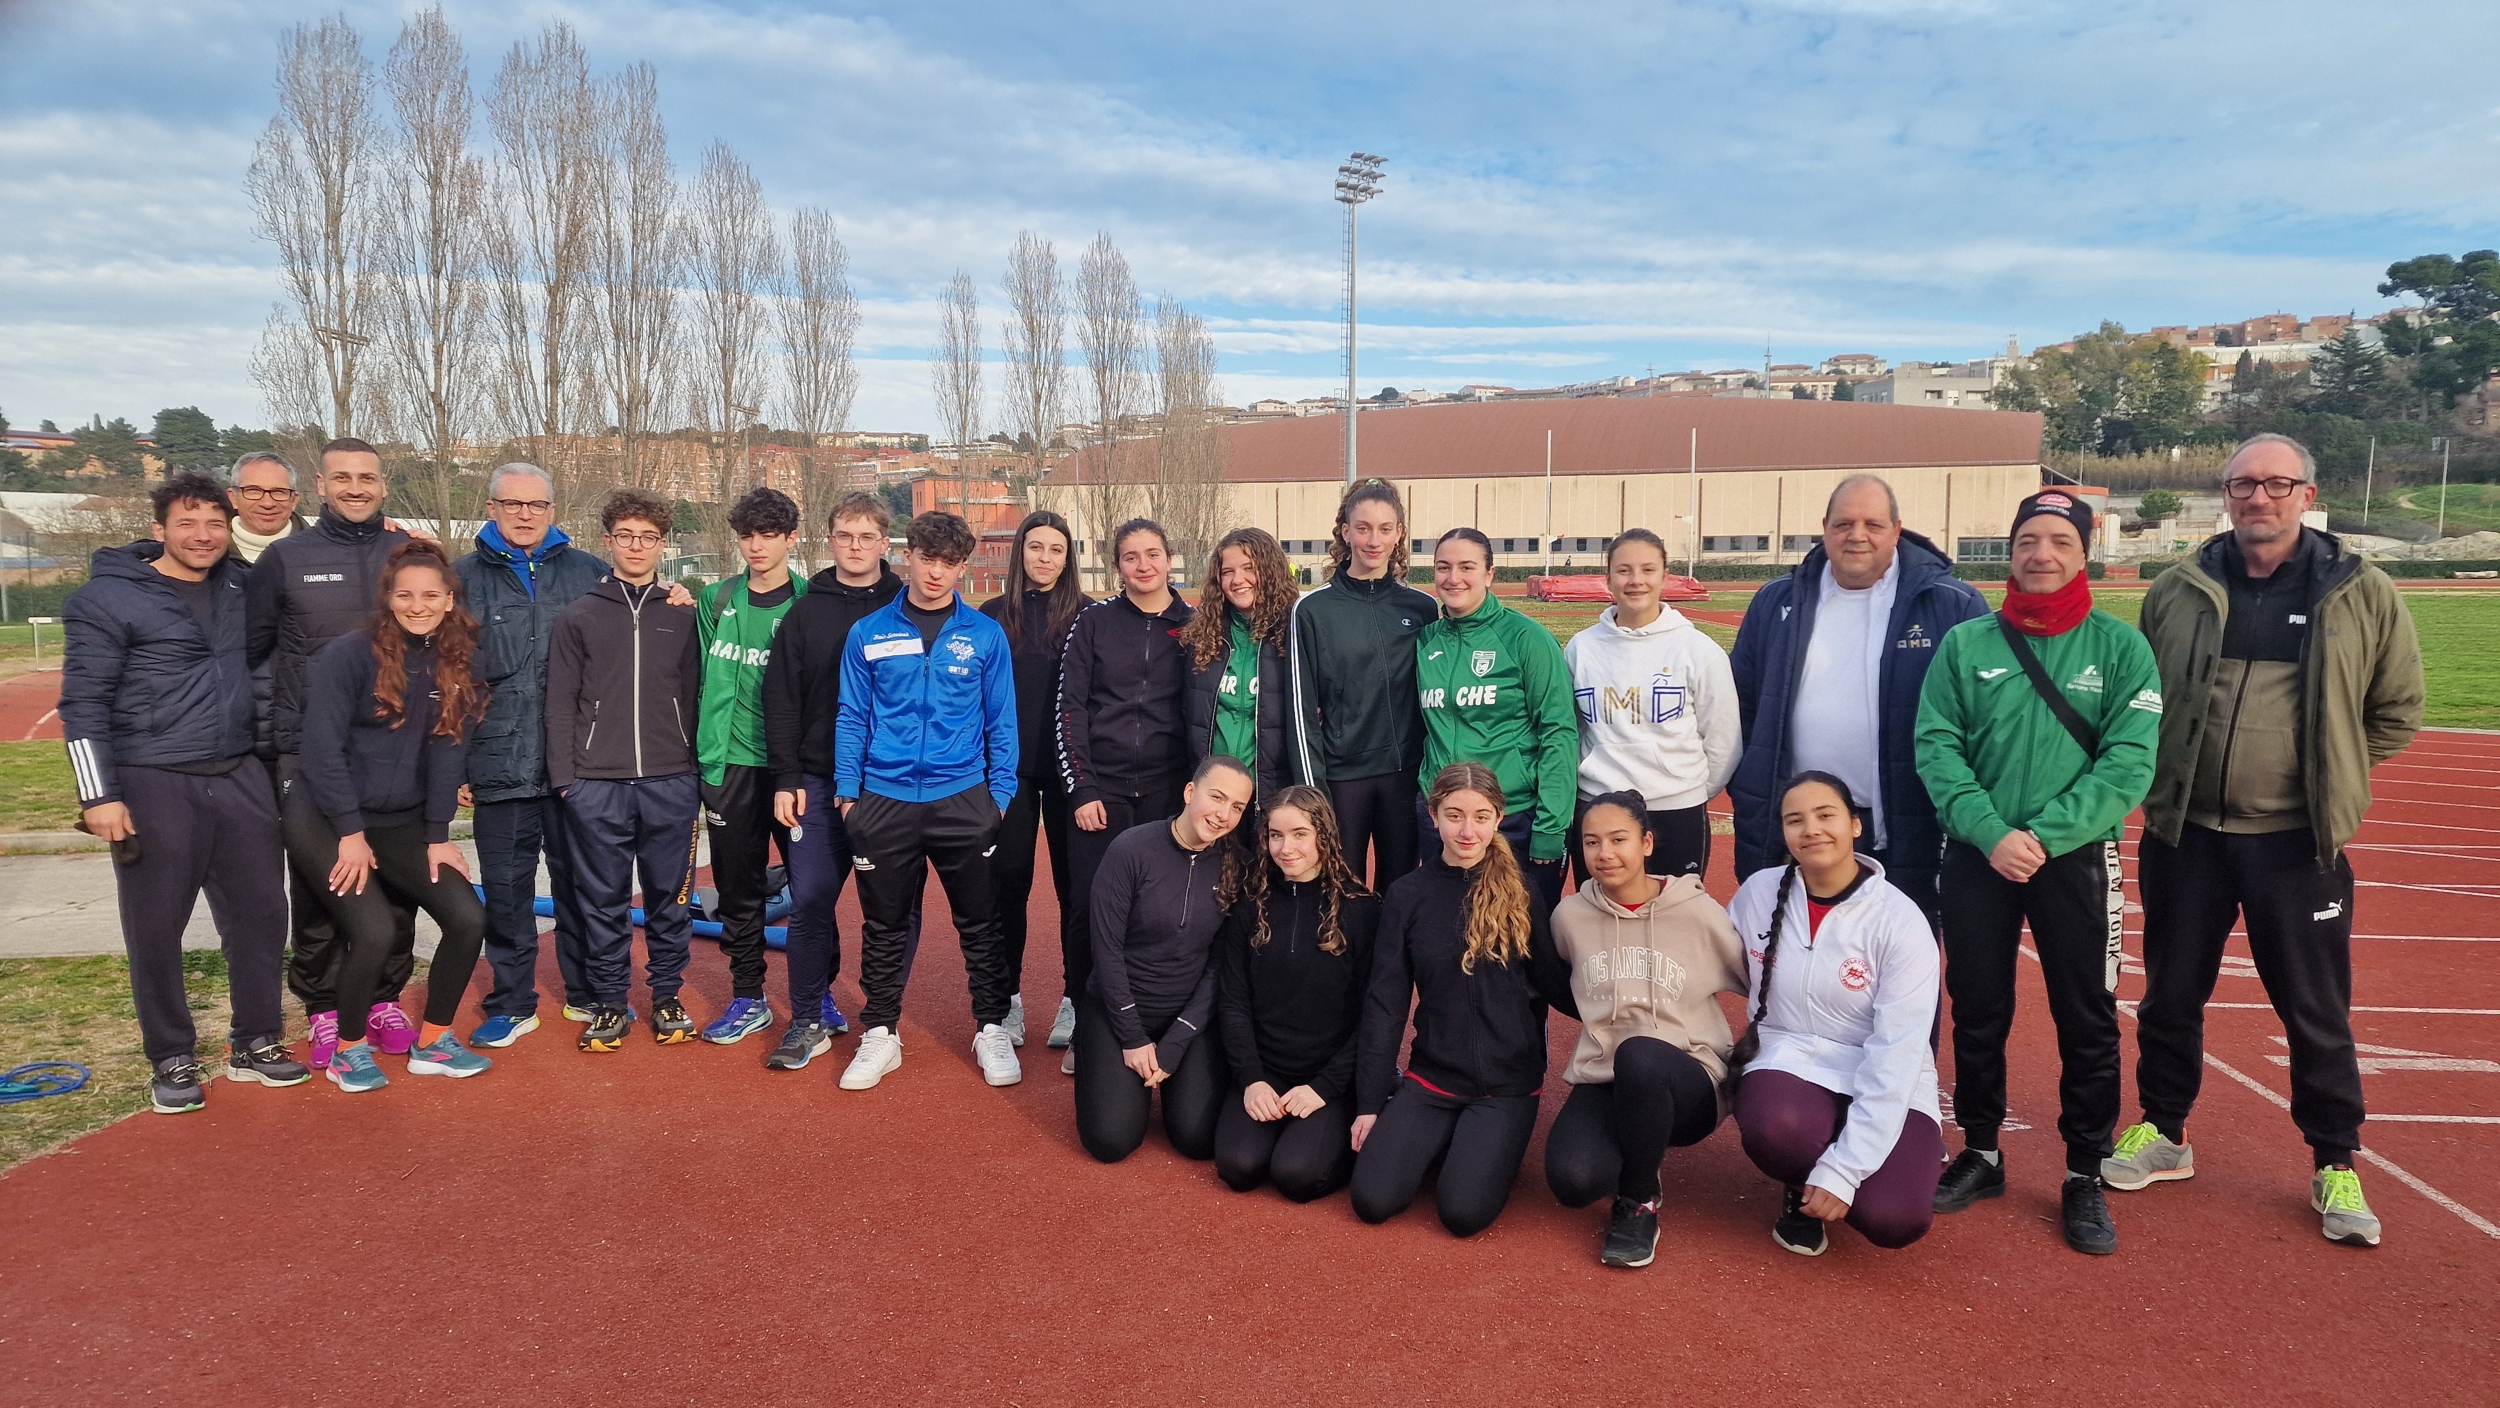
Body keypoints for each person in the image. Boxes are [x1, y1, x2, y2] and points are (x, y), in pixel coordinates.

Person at [2113, 433, 2423, 1249]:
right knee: (2170, 996)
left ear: (2307, 496)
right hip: (2186, 835)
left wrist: (2330, 772)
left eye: (2277, 484)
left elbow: (2396, 711)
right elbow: (2145, 702)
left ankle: (2335, 1160)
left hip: (2294, 844)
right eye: (2244, 484)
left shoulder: (2360, 591)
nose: (2259, 497)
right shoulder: (2179, 589)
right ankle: (2164, 1130)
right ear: (2226, 494)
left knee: (2314, 1009)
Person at [1915, 490, 2160, 1256]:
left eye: (2059, 541)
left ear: (2084, 555)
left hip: (2076, 858)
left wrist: (2044, 837)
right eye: (2028, 540)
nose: (2041, 554)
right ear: (2011, 551)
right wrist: (1991, 833)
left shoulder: (2121, 648)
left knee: (2087, 1017)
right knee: (1978, 1007)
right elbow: (1937, 745)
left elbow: (2129, 763)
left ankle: (2084, 1171)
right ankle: (1982, 1152)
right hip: (1979, 853)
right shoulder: (1966, 645)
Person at [60, 472, 308, 1114]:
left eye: (215, 524)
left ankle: (257, 1040)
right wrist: (97, 796)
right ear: (159, 529)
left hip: (238, 772)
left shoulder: (242, 586)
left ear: (231, 529)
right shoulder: (106, 598)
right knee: (156, 925)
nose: (203, 535)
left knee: (261, 915)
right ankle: (170, 1055)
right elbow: (81, 703)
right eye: (188, 523)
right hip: (153, 778)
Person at [1728, 474, 1987, 921]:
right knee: (1791, 948)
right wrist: (1754, 790)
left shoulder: (1951, 605)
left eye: (1873, 524)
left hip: (1904, 827)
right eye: (1844, 524)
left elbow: (1980, 718)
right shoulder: (1775, 601)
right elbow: (1741, 708)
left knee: (1896, 950)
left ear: (1897, 530)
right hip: (1802, 828)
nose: (1857, 535)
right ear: (1825, 528)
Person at [285, 542, 495, 1091]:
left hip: (399, 819)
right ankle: (348, 1050)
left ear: (449, 600)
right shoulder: (350, 655)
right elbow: (322, 751)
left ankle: (435, 1041)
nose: (417, 606)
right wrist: (350, 833)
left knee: (468, 918)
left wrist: (437, 837)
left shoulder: (460, 661)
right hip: (325, 817)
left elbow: (448, 751)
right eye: (405, 595)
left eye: (429, 596)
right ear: (388, 598)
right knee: (374, 930)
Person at [833, 510, 1023, 1091]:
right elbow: (852, 715)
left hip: (963, 799)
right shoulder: (868, 632)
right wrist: (848, 795)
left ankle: (990, 1027)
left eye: (949, 562)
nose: (936, 572)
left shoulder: (985, 635)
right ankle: (880, 1032)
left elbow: (1002, 721)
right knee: (884, 925)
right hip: (882, 800)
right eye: (927, 558)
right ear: (907, 556)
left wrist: (999, 796)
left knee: (981, 924)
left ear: (963, 567)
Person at [246, 437, 418, 1069]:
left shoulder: (406, 554)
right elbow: (252, 651)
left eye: (366, 477)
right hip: (307, 751)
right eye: (342, 477)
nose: (355, 488)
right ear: (320, 485)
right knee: (321, 884)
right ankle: (321, 1006)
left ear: (383, 484)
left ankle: (384, 998)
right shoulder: (286, 558)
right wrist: (279, 727)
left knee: (395, 881)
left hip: (393, 746)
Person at [1350, 763, 1571, 1239]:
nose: (1467, 830)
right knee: (1372, 1200)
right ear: (1433, 816)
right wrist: (1368, 1101)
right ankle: (1445, 1138)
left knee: (1462, 1213)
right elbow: (1386, 1003)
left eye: (1481, 816)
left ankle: (1475, 1144)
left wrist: (1627, 1010)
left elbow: (1554, 984)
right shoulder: (1407, 895)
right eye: (1454, 815)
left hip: (1507, 1085)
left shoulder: (1523, 891)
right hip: (1433, 1077)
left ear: (1498, 819)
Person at [1728, 771, 1944, 1257]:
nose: (1811, 829)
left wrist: (1845, 1169)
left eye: (1826, 815)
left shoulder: (1901, 921)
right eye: (1795, 820)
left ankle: (1868, 1153)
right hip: (1790, 1059)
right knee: (1776, 1128)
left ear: (1855, 825)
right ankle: (1801, 1187)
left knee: (1894, 1218)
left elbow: (1897, 1052)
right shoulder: (1760, 893)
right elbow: (1709, 959)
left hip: (1881, 1068)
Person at [1545, 791, 1749, 1268]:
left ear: (1648, 843)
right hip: (1609, 1075)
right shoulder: (1570, 917)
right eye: (1591, 842)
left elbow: (1758, 983)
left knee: (1640, 1054)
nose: (1605, 853)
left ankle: (1639, 1200)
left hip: (1689, 1081)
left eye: (1619, 839)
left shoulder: (1697, 912)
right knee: (1573, 1181)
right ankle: (1641, 1149)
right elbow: (1564, 984)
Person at [547, 488, 705, 1053]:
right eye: (626, 536)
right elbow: (559, 702)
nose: (637, 546)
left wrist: (693, 773)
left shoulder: (685, 614)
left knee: (670, 899)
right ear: (608, 541)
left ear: (663, 544)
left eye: (649, 537)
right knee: (603, 902)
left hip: (671, 781)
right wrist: (567, 781)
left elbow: (698, 695)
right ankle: (611, 1002)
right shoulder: (579, 616)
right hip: (596, 785)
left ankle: (667, 996)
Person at [455, 463, 607, 1048]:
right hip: (498, 763)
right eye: (512, 503)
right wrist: (456, 767)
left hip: (576, 767)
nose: (525, 514)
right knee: (507, 891)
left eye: (536, 504)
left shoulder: (590, 573)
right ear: (491, 507)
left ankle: (588, 990)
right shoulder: (461, 578)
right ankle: (513, 1001)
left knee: (581, 886)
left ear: (552, 509)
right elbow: (448, 679)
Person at [763, 491, 909, 1068]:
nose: (855, 546)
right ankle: (806, 1019)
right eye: (845, 536)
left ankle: (882, 1022)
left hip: (891, 786)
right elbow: (781, 698)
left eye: (867, 537)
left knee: (892, 910)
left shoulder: (907, 604)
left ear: (884, 543)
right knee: (810, 901)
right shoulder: (806, 611)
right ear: (830, 541)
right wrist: (786, 776)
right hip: (819, 782)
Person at [1055, 518, 1195, 1055]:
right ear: (1117, 566)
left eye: (1153, 554)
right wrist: (1082, 789)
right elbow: (1069, 709)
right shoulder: (1093, 622)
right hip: (1102, 792)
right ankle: (1083, 1014)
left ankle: (1156, 1017)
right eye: (1131, 556)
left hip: (1168, 792)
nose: (1143, 565)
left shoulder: (1195, 625)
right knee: (1089, 907)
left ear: (1169, 559)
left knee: (1159, 909)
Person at [1073, 754, 1253, 1163]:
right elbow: (1105, 949)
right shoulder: (1131, 849)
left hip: (1188, 1017)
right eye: (1216, 797)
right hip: (1117, 1011)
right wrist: (1133, 1037)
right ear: (1190, 792)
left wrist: (1177, 1040)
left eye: (1237, 807)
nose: (1223, 815)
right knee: (1111, 1141)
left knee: (1199, 1140)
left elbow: (1220, 965)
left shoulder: (1238, 866)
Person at [1212, 784, 1379, 1201]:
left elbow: (1374, 1015)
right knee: (1238, 1167)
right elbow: (1234, 1001)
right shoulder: (1250, 905)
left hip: (1329, 1078)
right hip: (1266, 1071)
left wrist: (1325, 1087)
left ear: (1324, 835)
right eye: (1276, 835)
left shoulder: (1362, 910)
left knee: (1296, 1176)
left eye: (1300, 834)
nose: (1286, 848)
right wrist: (1251, 1079)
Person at [1411, 528, 1579, 917]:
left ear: (1489, 574)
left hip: (1514, 818)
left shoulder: (1527, 639)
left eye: (1466, 567)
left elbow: (1558, 732)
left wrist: (1551, 826)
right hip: (1444, 820)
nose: (1453, 578)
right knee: (1446, 935)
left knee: (1520, 937)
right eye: (1443, 567)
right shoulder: (1425, 642)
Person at [693, 487, 809, 1046]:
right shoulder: (713, 600)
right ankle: (748, 997)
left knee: (810, 890)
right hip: (729, 767)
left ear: (792, 538)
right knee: (737, 890)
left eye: (769, 534)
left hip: (793, 771)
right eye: (747, 535)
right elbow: (697, 680)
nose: (757, 545)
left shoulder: (809, 602)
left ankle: (816, 995)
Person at [1563, 527, 1740, 883]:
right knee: (1598, 912)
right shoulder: (1581, 649)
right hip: (1598, 806)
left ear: (1665, 576)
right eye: (1624, 570)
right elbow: (1571, 731)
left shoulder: (1699, 651)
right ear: (1608, 578)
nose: (1636, 581)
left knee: (1674, 913)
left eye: (1647, 569)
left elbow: (1724, 741)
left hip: (1675, 812)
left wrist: (1684, 790)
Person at [1288, 479, 1437, 887]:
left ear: (1399, 534)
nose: (1374, 540)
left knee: (1400, 886)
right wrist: (1312, 790)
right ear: (1345, 531)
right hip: (1342, 778)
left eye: (1385, 529)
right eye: (1363, 528)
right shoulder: (1312, 610)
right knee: (1342, 887)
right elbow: (1301, 709)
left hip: (1405, 775)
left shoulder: (1422, 607)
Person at [980, 510, 1090, 1060]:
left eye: (1056, 550)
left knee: (1077, 889)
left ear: (1068, 559)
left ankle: (1075, 998)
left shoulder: (1089, 615)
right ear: (1019, 551)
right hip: (1009, 775)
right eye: (1035, 547)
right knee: (1008, 885)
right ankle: (1005, 1001)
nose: (1044, 558)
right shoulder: (992, 616)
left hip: (1072, 773)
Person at [1182, 526, 1300, 806]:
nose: (1238, 580)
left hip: (1273, 793)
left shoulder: (1297, 633)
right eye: (1227, 572)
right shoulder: (1202, 637)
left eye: (1249, 568)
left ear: (1270, 570)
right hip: (1215, 795)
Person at [224, 451, 310, 565]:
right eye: (254, 491)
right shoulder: (207, 555)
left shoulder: (323, 551)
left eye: (278, 492)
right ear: (233, 498)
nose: (267, 504)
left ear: (294, 500)